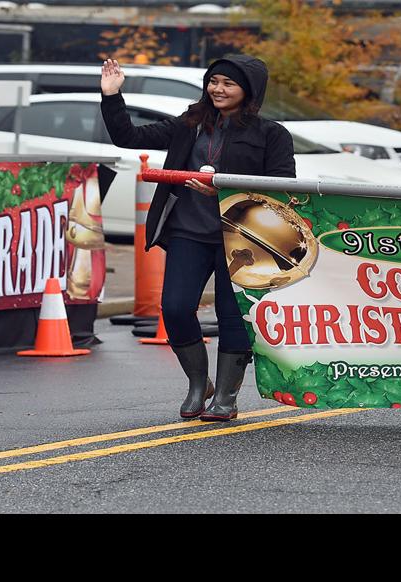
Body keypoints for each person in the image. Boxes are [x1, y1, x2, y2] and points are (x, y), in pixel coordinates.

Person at [100, 53, 295, 422]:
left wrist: (224, 190)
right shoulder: (189, 124)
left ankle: (226, 397)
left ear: (249, 90)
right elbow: (128, 137)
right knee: (175, 308)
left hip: (241, 239)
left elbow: (281, 186)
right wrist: (112, 95)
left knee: (232, 316)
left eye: (228, 84)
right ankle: (197, 384)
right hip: (188, 232)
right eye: (213, 81)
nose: (218, 89)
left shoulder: (271, 134)